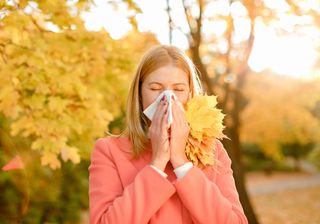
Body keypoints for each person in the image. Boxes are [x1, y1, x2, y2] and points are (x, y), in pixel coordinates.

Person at [88, 45, 248, 224]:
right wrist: (157, 164)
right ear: (140, 94)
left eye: (178, 89)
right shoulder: (109, 150)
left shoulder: (212, 151)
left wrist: (181, 163)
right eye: (156, 88)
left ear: (190, 94)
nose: (167, 98)